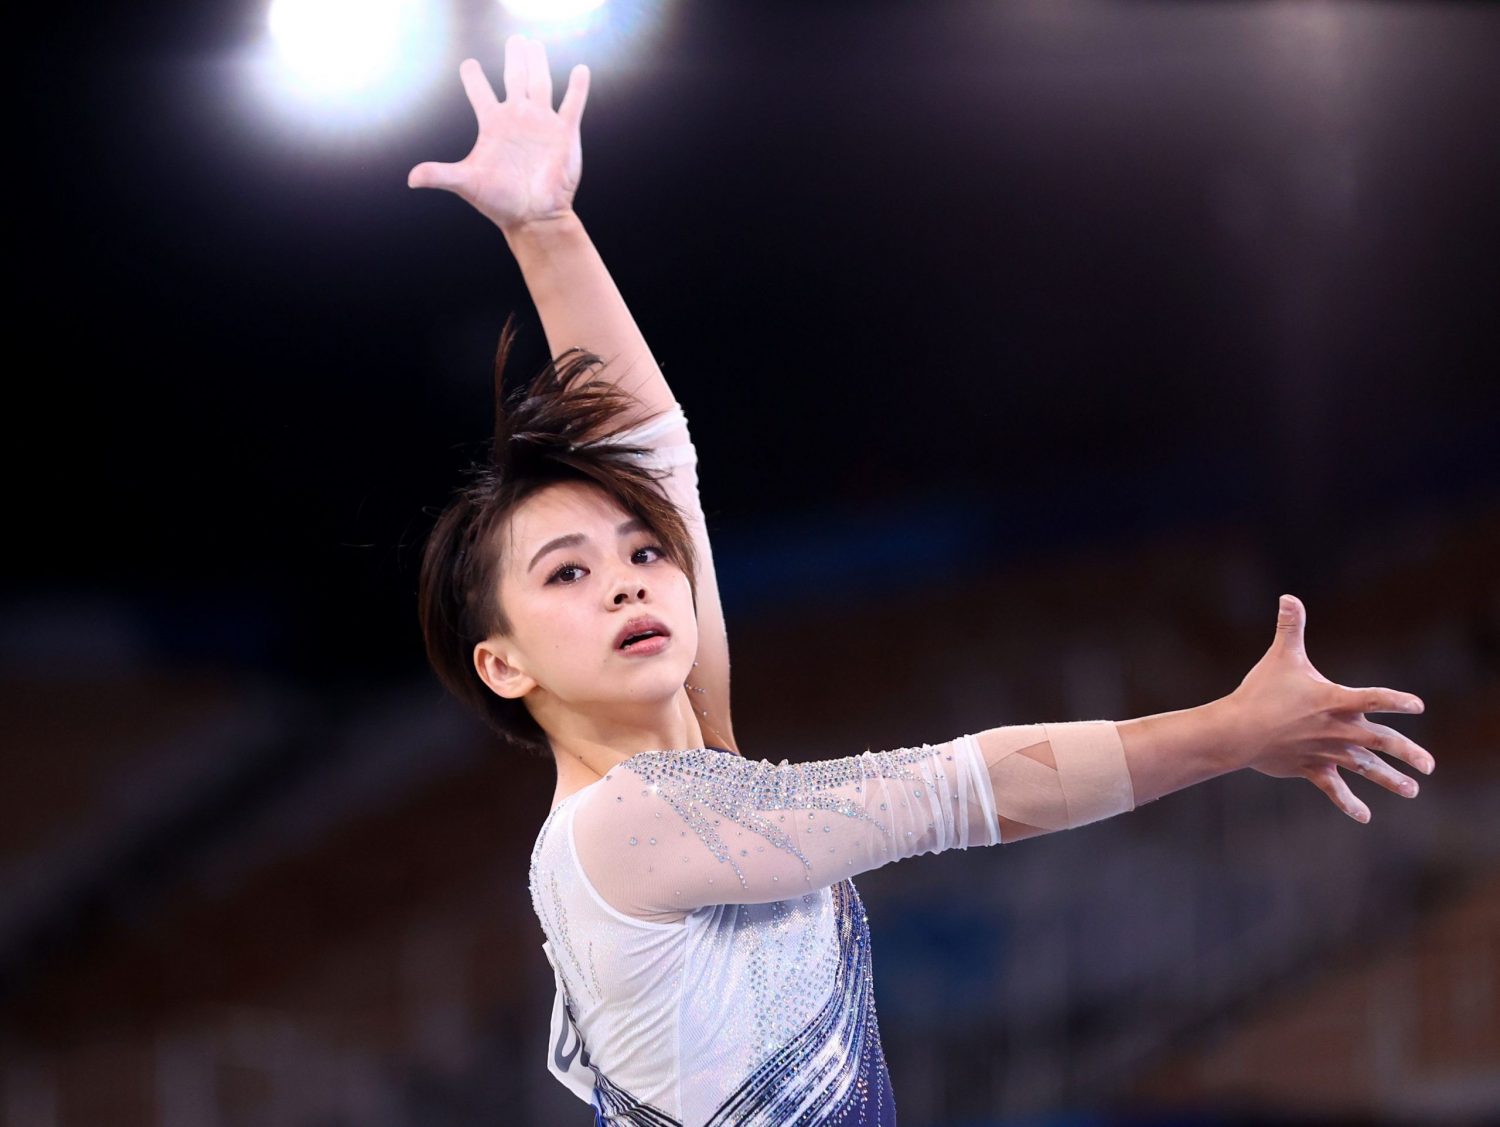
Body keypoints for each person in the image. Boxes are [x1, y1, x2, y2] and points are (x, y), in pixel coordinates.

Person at [408, 35, 1435, 1126]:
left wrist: (548, 228)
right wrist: (1231, 729)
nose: (627, 581)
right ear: (499, 660)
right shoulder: (627, 822)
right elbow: (950, 790)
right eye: (568, 572)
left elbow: (656, 455)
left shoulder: (694, 771)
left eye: (644, 555)